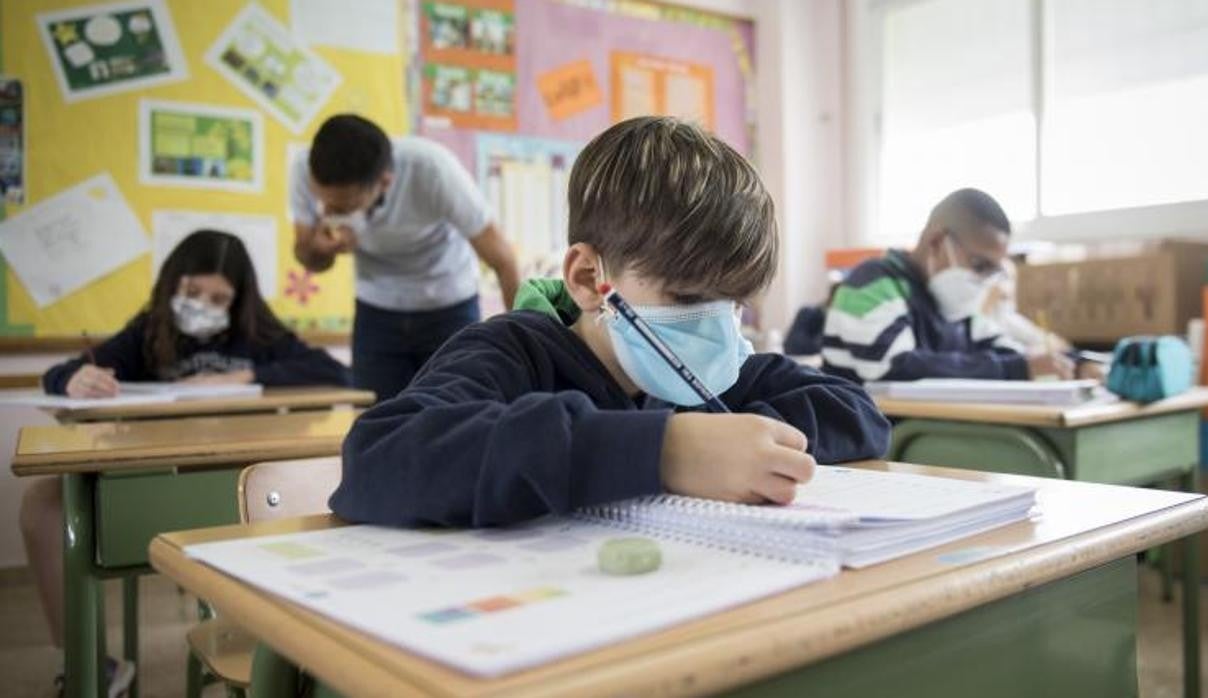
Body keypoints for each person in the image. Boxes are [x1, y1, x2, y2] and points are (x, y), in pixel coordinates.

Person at [329, 116, 891, 528]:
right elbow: (378, 458)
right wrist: (664, 451)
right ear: (588, 278)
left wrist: (747, 442)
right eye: (689, 295)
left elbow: (859, 413)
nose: (716, 325)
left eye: (735, 301)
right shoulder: (511, 352)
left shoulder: (716, 373)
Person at [22, 230, 348, 696]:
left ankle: (304, 648)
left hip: (242, 475)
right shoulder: (149, 330)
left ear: (238, 301)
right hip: (151, 477)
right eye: (192, 293)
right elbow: (59, 373)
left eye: (219, 298)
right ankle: (89, 662)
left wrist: (249, 374)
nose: (202, 305)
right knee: (43, 505)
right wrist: (74, 377)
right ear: (173, 285)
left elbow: (335, 372)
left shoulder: (255, 333)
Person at [290, 113, 521, 400]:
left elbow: (503, 259)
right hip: (376, 309)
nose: (329, 212)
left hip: (448, 303)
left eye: (343, 206)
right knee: (375, 420)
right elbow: (309, 257)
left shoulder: (432, 169)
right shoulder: (304, 168)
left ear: (385, 183)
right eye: (324, 202)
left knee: (459, 412)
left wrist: (522, 343)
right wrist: (322, 250)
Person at [821, 189, 1078, 383]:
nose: (984, 281)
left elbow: (1009, 352)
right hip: (875, 440)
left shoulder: (954, 305)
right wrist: (1016, 369)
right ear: (936, 241)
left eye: (993, 270)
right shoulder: (873, 282)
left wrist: (1072, 364)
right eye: (979, 265)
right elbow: (896, 366)